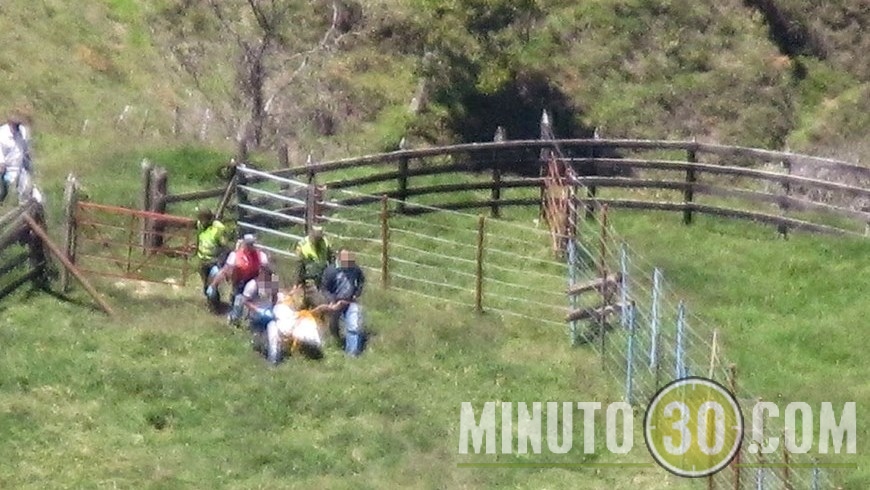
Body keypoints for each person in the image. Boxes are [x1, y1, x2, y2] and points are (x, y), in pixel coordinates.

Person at [207, 233, 271, 326]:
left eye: (252, 244)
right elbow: (224, 271)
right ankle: (234, 320)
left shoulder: (260, 256)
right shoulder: (235, 256)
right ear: (244, 244)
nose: (251, 246)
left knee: (246, 299)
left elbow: (268, 271)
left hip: (253, 281)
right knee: (237, 300)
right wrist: (213, 285)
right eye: (249, 244)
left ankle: (250, 320)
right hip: (239, 281)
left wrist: (271, 287)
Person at [322, 249, 366, 357]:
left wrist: (357, 292)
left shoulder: (354, 268)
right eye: (345, 259)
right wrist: (332, 301)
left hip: (350, 301)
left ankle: (352, 353)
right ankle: (336, 342)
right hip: (335, 302)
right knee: (334, 325)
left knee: (354, 325)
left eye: (349, 258)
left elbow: (361, 279)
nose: (347, 261)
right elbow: (324, 288)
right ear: (339, 258)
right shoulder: (331, 271)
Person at [195, 208, 229, 311]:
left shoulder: (218, 228)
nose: (201, 222)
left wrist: (221, 262)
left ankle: (215, 307)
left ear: (209, 219)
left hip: (214, 261)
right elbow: (199, 238)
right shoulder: (200, 225)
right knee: (206, 287)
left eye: (203, 219)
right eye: (200, 219)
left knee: (213, 285)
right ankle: (211, 303)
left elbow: (225, 247)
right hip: (203, 260)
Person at [293, 225, 334, 308]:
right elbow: (299, 266)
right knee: (320, 303)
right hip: (310, 280)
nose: (318, 239)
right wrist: (296, 283)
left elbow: (331, 258)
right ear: (311, 233)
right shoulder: (303, 245)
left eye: (319, 237)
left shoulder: (325, 242)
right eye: (316, 237)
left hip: (323, 277)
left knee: (328, 301)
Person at [0, 113, 34, 204]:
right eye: (15, 125)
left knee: (31, 194)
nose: (17, 128)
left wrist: (28, 160)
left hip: (21, 168)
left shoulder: (22, 131)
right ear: (10, 124)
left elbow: (26, 149)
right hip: (7, 170)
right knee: (7, 193)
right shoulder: (2, 135)